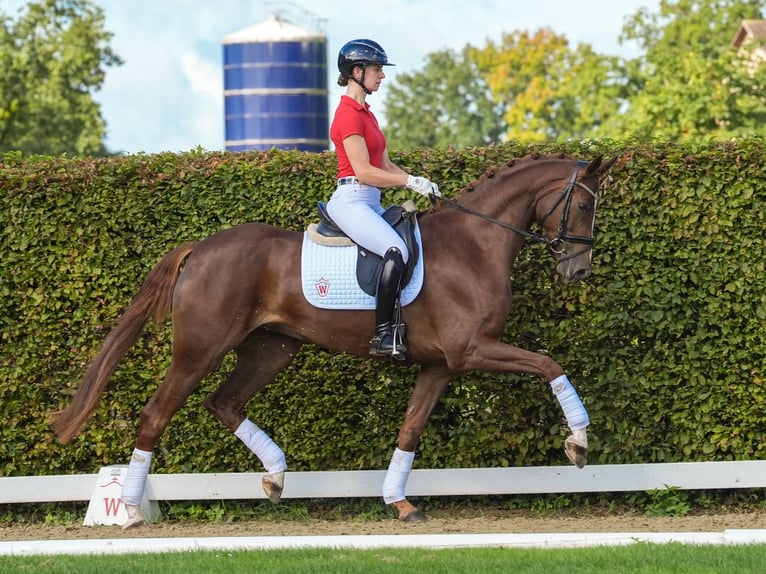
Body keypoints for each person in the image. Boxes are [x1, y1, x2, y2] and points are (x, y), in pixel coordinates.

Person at [326, 38, 441, 359]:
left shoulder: (367, 115)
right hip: (351, 199)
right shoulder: (347, 115)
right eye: (377, 69)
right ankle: (383, 335)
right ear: (357, 71)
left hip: (369, 200)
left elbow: (386, 165)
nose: (382, 76)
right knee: (396, 250)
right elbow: (364, 171)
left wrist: (420, 182)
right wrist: (408, 181)